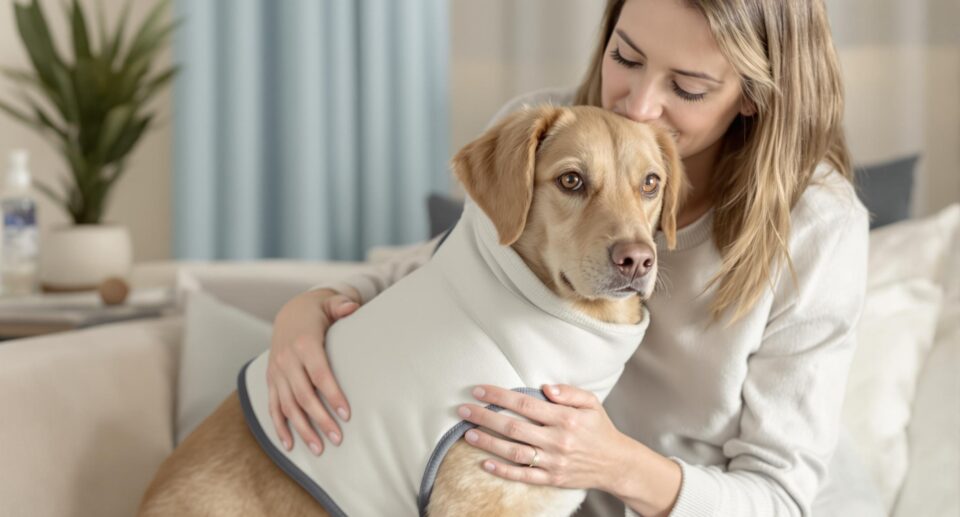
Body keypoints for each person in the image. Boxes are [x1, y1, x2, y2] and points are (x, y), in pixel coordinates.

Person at [264, 0, 879, 515]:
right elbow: (446, 273)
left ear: (752, 95)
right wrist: (314, 308)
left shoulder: (818, 229)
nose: (636, 106)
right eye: (626, 58)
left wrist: (613, 462)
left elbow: (780, 496)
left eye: (686, 87)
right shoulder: (544, 130)